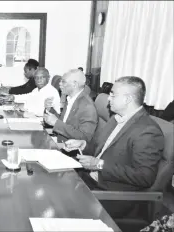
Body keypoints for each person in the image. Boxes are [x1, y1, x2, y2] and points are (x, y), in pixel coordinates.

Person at [64, 76, 164, 218]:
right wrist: (83, 144)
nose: (108, 98)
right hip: (89, 180)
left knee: (59, 205)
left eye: (113, 94)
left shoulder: (147, 131)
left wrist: (99, 165)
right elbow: (99, 149)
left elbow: (145, 176)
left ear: (128, 99)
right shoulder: (115, 119)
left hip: (111, 194)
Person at [44, 69, 98, 142]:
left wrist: (56, 123)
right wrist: (50, 109)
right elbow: (64, 122)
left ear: (74, 85)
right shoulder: (71, 98)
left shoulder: (87, 107)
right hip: (60, 140)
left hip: (70, 148)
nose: (60, 84)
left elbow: (84, 137)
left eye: (63, 81)